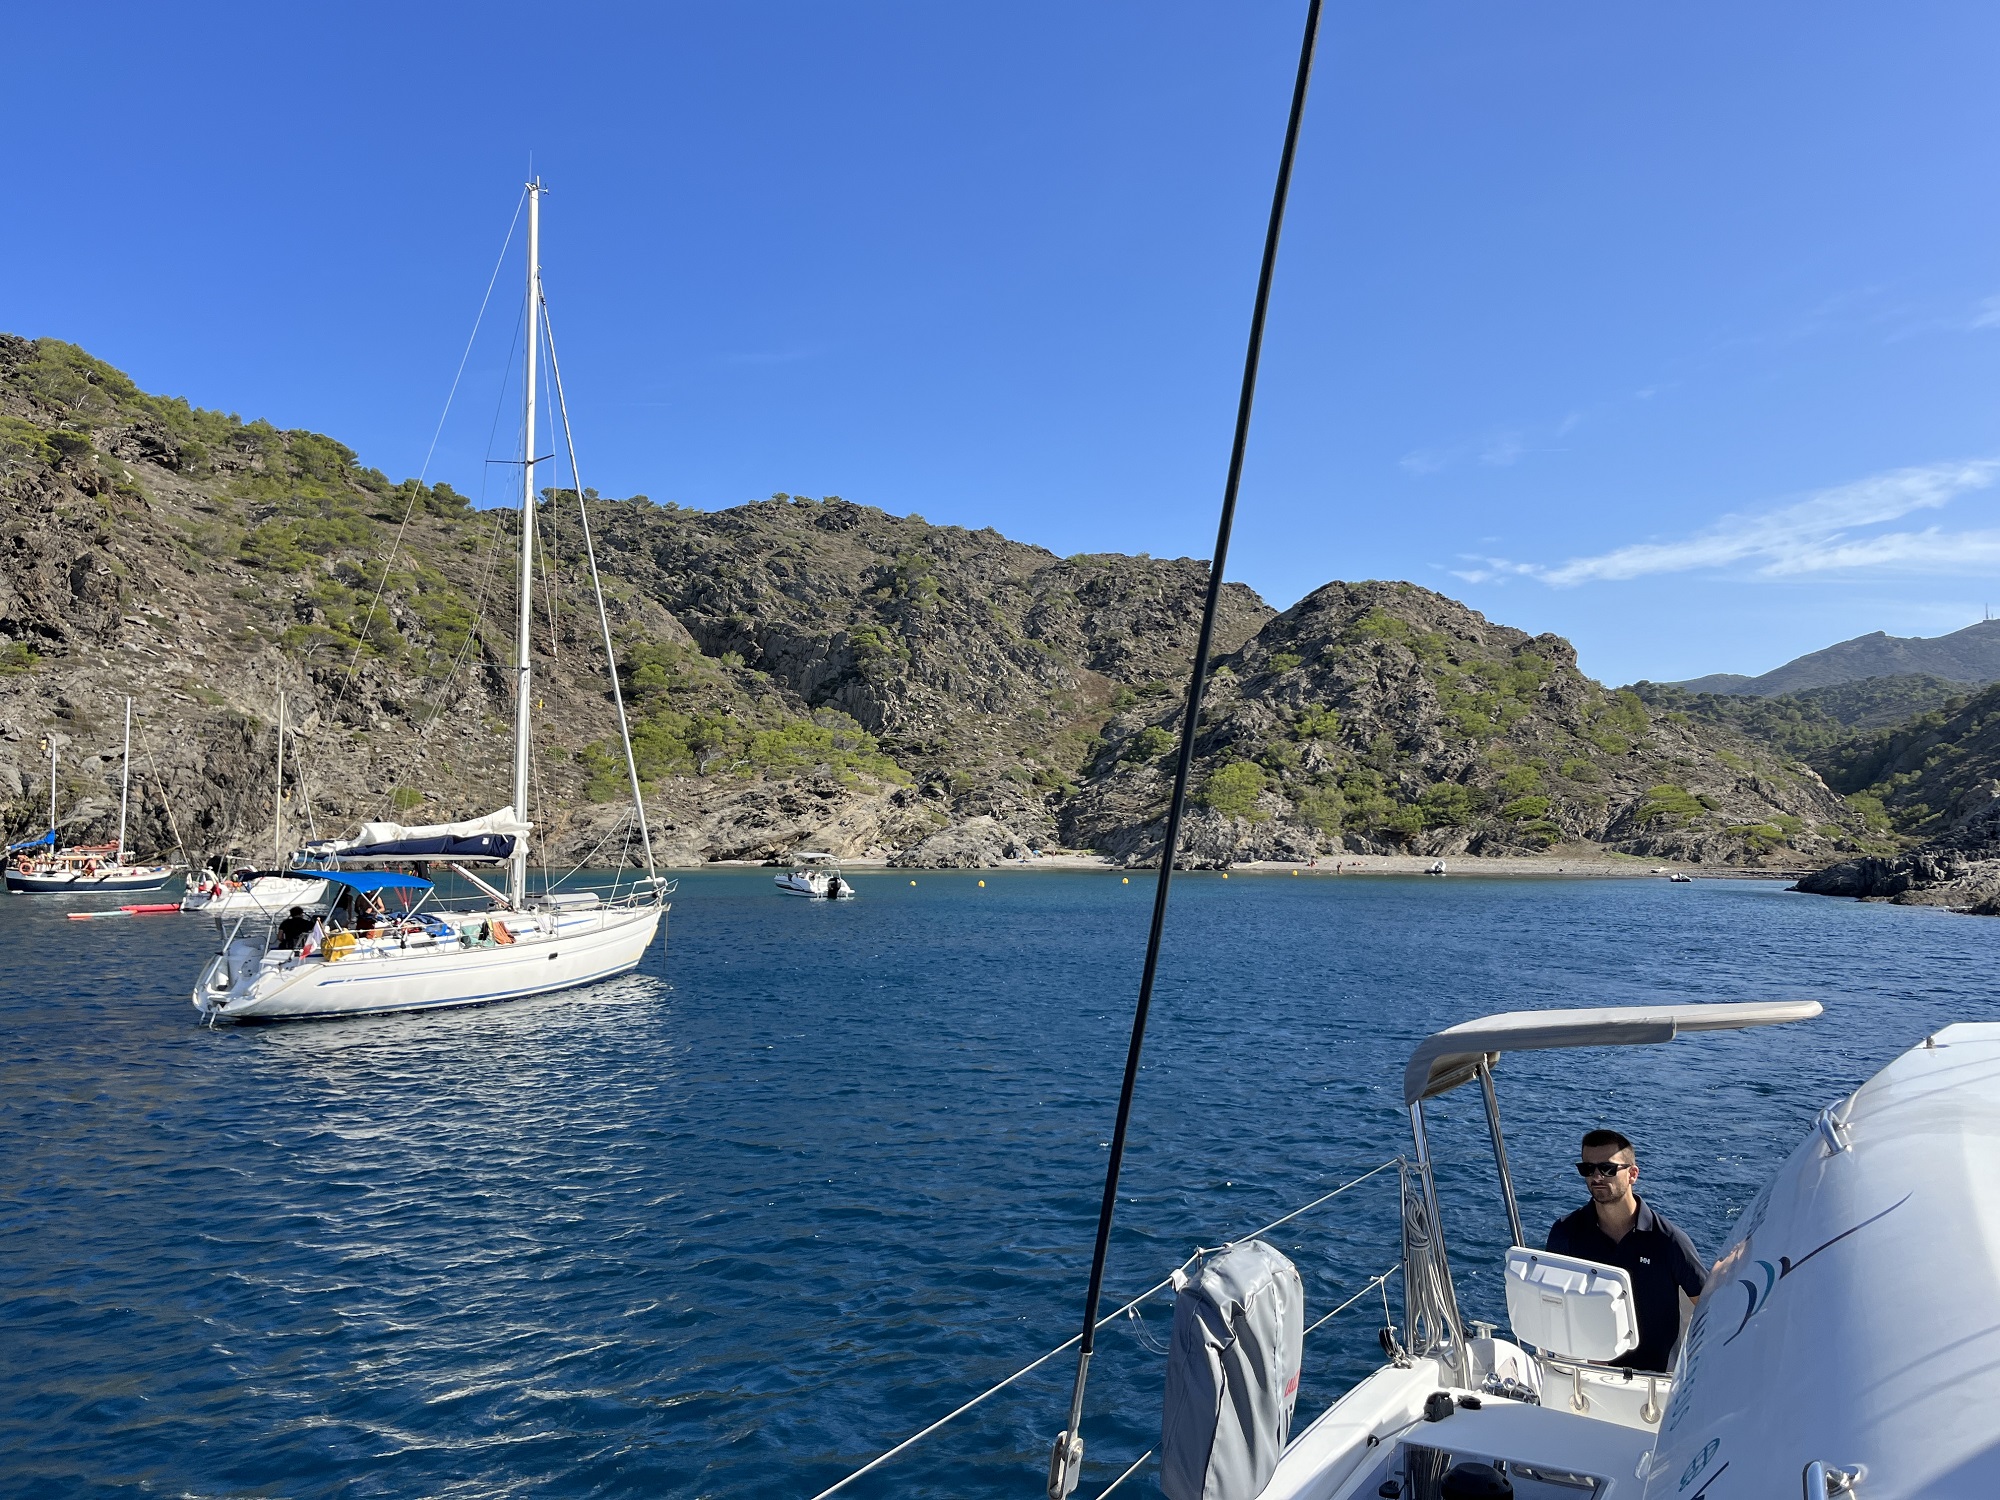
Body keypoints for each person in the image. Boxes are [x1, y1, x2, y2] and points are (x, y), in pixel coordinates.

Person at [1546, 1128, 1705, 1373]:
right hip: (1583, 1376)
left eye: (1608, 1169)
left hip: (1654, 1383)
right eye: (1587, 1169)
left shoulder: (1669, 1241)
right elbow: (1550, 1302)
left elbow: (1708, 1305)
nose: (1597, 1177)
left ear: (1632, 1174)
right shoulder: (1565, 1233)